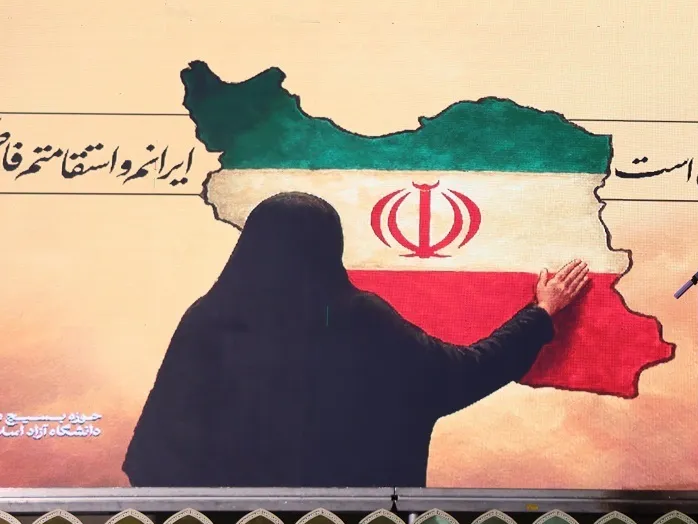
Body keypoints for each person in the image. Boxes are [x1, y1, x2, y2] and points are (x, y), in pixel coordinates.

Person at [123, 191, 590, 487]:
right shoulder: (358, 319)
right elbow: (463, 373)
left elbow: (155, 458)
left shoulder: (207, 322)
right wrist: (542, 312)